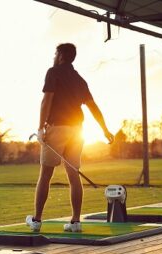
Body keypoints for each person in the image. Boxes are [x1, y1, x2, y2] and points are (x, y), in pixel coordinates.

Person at [26, 43, 114, 233]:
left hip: (57, 128)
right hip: (77, 130)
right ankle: (75, 222)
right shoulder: (79, 79)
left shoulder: (53, 72)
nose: (53, 56)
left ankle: (36, 220)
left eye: (55, 52)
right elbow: (93, 107)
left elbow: (46, 101)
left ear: (61, 56)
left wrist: (41, 128)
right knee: (74, 175)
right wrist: (105, 130)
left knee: (46, 175)